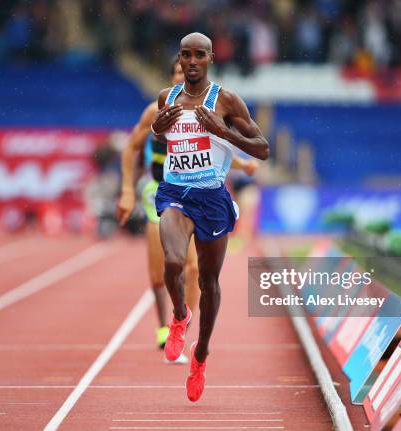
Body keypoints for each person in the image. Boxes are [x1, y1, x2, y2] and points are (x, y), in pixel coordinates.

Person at [151, 32, 269, 402]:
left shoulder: (226, 100)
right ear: (179, 58)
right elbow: (160, 140)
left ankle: (201, 353)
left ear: (210, 58)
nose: (191, 62)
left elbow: (262, 148)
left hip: (212, 199)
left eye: (198, 55)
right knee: (172, 263)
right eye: (185, 55)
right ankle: (180, 316)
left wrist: (222, 131)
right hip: (175, 192)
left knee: (209, 281)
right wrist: (157, 128)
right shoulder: (165, 98)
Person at [116, 57, 258, 360]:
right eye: (178, 74)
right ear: (170, 79)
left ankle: (182, 327)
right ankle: (163, 326)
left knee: (194, 268)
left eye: (188, 74)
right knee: (162, 271)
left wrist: (242, 163)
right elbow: (130, 147)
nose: (185, 80)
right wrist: (127, 190)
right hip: (160, 190)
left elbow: (208, 151)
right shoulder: (157, 111)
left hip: (195, 195)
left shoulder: (207, 110)